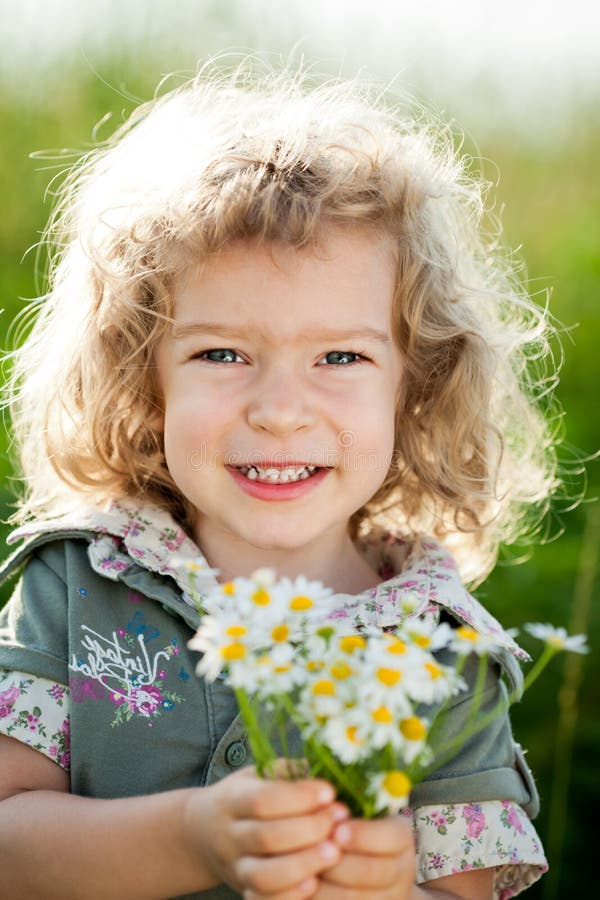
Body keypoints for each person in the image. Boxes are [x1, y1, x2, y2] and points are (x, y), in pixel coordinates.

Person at [0, 61, 557, 899]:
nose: (281, 411)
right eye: (222, 354)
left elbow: (466, 890)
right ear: (144, 382)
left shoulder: (443, 655)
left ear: (416, 387)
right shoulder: (78, 582)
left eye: (341, 357)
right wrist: (195, 837)